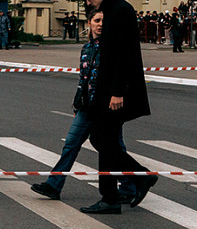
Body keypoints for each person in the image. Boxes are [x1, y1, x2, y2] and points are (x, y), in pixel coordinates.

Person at [31, 11, 137, 203]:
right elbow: (84, 80)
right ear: (89, 23)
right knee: (71, 143)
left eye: (104, 21)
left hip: (107, 108)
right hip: (86, 107)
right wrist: (77, 102)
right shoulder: (86, 48)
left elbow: (120, 77)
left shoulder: (113, 48)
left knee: (114, 147)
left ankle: (129, 185)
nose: (100, 25)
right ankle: (54, 185)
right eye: (97, 21)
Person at [75, 0, 156, 214]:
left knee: (103, 139)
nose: (88, 3)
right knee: (101, 139)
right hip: (109, 89)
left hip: (117, 91)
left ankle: (112, 197)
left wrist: (118, 92)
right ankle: (140, 178)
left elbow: (124, 54)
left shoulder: (120, 11)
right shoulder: (114, 10)